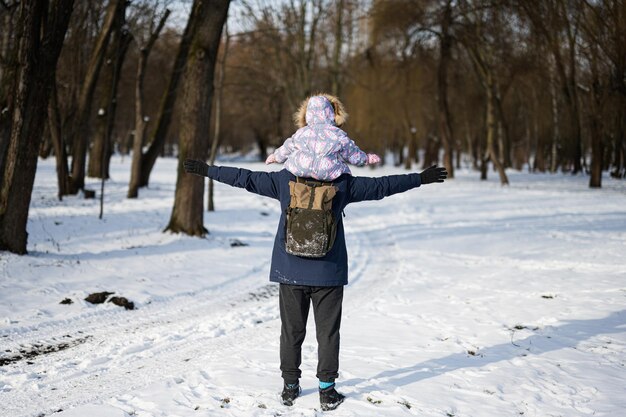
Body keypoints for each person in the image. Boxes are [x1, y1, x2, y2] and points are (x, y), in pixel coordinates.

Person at [184, 158, 446, 411]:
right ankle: (327, 391)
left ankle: (289, 387)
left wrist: (208, 170)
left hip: (290, 271)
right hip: (328, 273)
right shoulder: (341, 183)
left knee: (291, 331)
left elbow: (245, 179)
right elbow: (382, 187)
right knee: (328, 333)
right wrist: (420, 179)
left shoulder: (285, 180)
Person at [265, 94, 381, 181]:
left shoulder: (301, 133)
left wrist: (276, 157)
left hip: (300, 169)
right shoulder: (336, 134)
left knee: (291, 165)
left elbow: (287, 147)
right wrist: (366, 158)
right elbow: (351, 152)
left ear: (308, 114)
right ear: (330, 113)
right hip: (327, 171)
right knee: (343, 172)